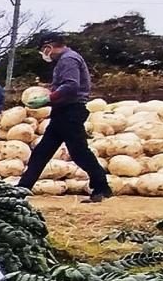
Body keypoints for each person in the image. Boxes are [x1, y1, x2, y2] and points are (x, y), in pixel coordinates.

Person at [17, 32, 112, 203]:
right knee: (42, 151)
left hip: (71, 111)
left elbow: (71, 86)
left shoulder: (68, 59)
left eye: (44, 50)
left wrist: (48, 98)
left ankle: (102, 187)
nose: (45, 54)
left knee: (79, 152)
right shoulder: (65, 59)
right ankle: (22, 189)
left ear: (49, 47)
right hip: (62, 112)